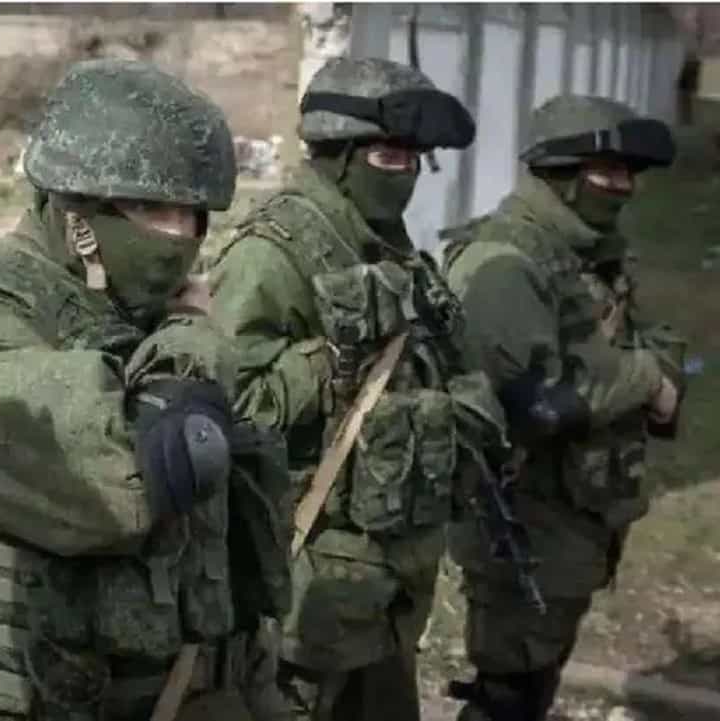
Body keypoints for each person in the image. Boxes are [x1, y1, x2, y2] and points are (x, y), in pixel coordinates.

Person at [0, 58, 291, 721]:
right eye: (152, 208)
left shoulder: (131, 302)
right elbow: (139, 477)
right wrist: (194, 335)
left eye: (193, 213)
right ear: (76, 211)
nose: (180, 236)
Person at [205, 56, 500, 721]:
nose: (407, 174)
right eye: (390, 156)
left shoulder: (389, 247)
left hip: (385, 588)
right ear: (339, 155)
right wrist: (330, 357)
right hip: (308, 588)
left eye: (415, 158)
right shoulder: (273, 253)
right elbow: (225, 405)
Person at [440, 94, 685, 721]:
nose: (624, 186)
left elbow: (656, 340)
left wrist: (650, 375)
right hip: (523, 521)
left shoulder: (589, 252)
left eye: (630, 173)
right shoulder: (504, 260)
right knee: (508, 692)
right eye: (608, 171)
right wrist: (647, 380)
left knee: (536, 679)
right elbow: (540, 404)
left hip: (578, 516)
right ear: (560, 171)